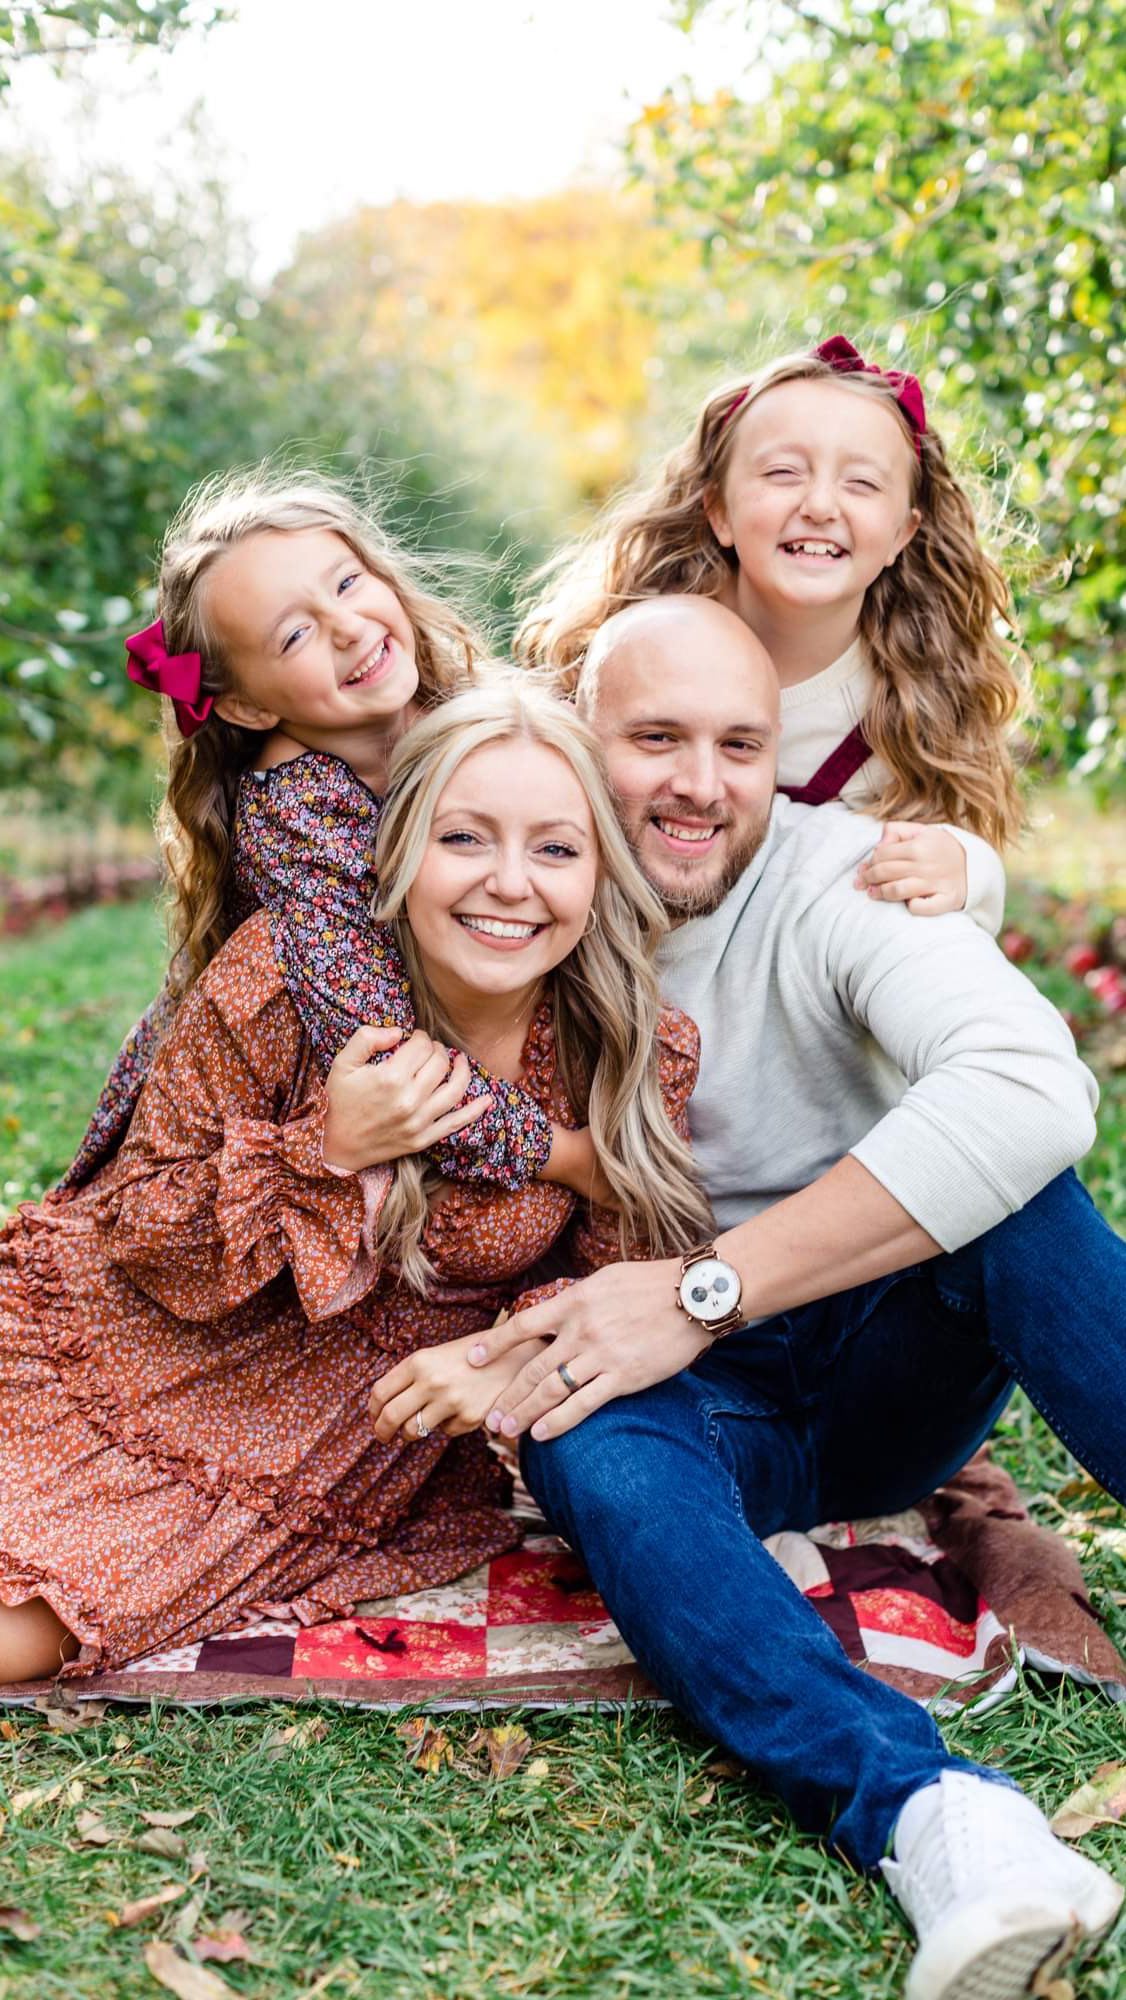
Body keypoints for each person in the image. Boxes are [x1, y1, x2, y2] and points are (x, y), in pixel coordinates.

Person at [469, 596, 1126, 2000]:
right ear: (574, 736)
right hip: (704, 1419)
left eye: (738, 744)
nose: (700, 785)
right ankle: (938, 1819)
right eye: (652, 739)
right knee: (580, 1427)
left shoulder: (838, 882)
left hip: (885, 1357)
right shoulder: (512, 893)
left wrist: (703, 1289)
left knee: (1016, 1199)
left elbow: (1028, 1085)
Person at [0, 674, 710, 1685]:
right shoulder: (286, 974)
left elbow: (617, 1285)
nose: (509, 882)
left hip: (318, 1437)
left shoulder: (631, 1053)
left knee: (20, 1632)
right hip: (121, 1340)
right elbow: (141, 1221)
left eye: (554, 847)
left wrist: (504, 1354)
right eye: (464, 838)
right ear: (398, 851)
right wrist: (325, 1149)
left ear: (599, 870)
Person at [58, 471, 604, 1211]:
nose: (346, 627)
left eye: (346, 584)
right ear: (248, 704)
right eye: (295, 634)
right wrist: (569, 1156)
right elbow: (389, 1069)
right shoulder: (300, 823)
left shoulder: (459, 712)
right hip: (266, 1138)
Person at [518, 333, 1025, 928]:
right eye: (783, 473)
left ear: (902, 533)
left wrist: (969, 867)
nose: (819, 505)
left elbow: (944, 886)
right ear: (719, 510)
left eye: (861, 483)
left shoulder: (911, 705)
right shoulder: (628, 650)